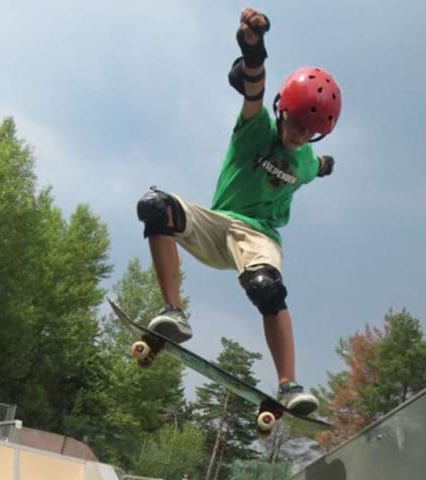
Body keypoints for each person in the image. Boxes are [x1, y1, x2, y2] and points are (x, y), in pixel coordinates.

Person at [136, 7, 341, 415]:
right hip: (217, 225)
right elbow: (253, 89)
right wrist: (253, 48)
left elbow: (316, 166)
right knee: (155, 207)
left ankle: (288, 385)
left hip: (260, 238)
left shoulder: (305, 160)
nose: (297, 136)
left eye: (308, 132)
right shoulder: (256, 126)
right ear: (284, 110)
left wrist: (326, 164)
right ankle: (174, 312)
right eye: (295, 123)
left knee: (267, 288)